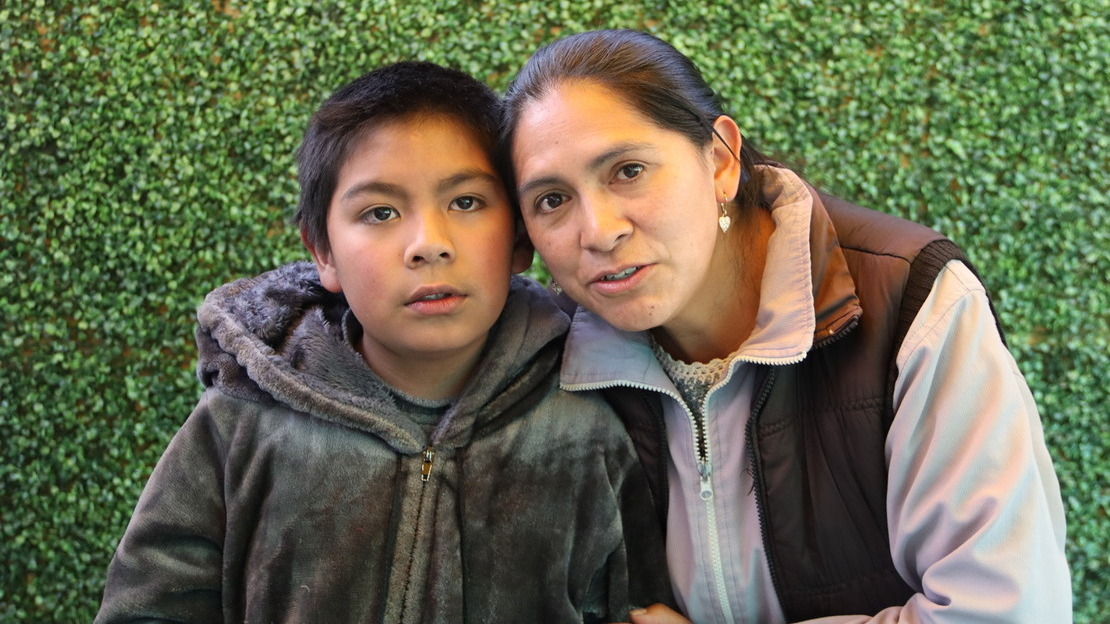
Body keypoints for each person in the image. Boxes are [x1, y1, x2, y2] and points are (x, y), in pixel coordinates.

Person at [501, 29, 1071, 623]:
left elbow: (1009, 610)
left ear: (720, 160)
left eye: (628, 170)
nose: (597, 230)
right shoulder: (556, 354)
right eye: (551, 200)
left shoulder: (912, 303)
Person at [95, 61, 674, 623]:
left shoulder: (587, 430)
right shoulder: (239, 427)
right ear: (323, 251)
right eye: (380, 212)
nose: (428, 244)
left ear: (520, 237)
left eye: (466, 202)